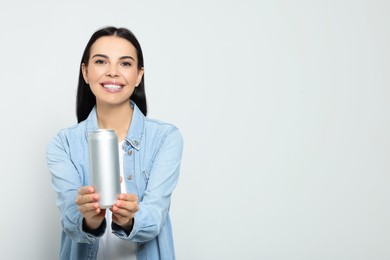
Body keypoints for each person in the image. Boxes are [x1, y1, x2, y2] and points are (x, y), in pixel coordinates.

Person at [46, 26, 183, 260]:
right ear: (86, 72)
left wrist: (130, 219)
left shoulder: (165, 138)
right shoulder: (64, 143)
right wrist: (89, 219)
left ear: (139, 75)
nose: (112, 72)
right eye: (101, 62)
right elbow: (70, 221)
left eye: (125, 64)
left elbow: (155, 217)